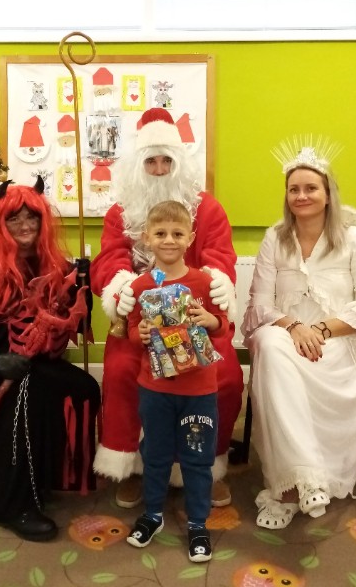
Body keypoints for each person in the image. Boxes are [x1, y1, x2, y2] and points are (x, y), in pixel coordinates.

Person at [91, 107, 244, 509]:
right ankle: (135, 467)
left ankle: (206, 467)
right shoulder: (120, 212)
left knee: (225, 376)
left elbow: (220, 256)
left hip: (196, 317)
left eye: (166, 161)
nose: (159, 170)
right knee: (122, 372)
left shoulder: (207, 209)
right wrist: (121, 289)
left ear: (179, 163)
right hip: (139, 322)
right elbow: (108, 259)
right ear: (138, 165)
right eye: (151, 162)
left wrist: (215, 282)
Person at [0, 179, 100, 542]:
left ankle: (49, 476)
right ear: (0, 223)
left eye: (33, 218)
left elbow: (75, 324)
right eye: (15, 218)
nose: (26, 226)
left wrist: (82, 289)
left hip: (32, 363)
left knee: (83, 386)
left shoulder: (52, 266)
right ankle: (11, 501)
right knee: (25, 391)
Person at [240, 137, 356, 530]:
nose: (301, 196)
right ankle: (300, 481)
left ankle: (290, 487)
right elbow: (260, 304)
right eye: (294, 189)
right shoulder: (275, 238)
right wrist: (294, 326)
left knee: (276, 358)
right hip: (286, 339)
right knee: (269, 344)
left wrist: (321, 329)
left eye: (311, 188)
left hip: (339, 345)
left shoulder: (353, 240)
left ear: (327, 194)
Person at [126, 201, 229, 562]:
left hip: (199, 391)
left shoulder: (205, 282)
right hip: (155, 390)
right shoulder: (140, 286)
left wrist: (210, 321)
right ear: (146, 238)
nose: (169, 240)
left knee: (197, 458)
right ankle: (152, 514)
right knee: (155, 454)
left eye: (177, 233)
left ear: (191, 238)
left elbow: (223, 327)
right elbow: (132, 331)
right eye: (160, 233)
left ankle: (198, 523)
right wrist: (140, 332)